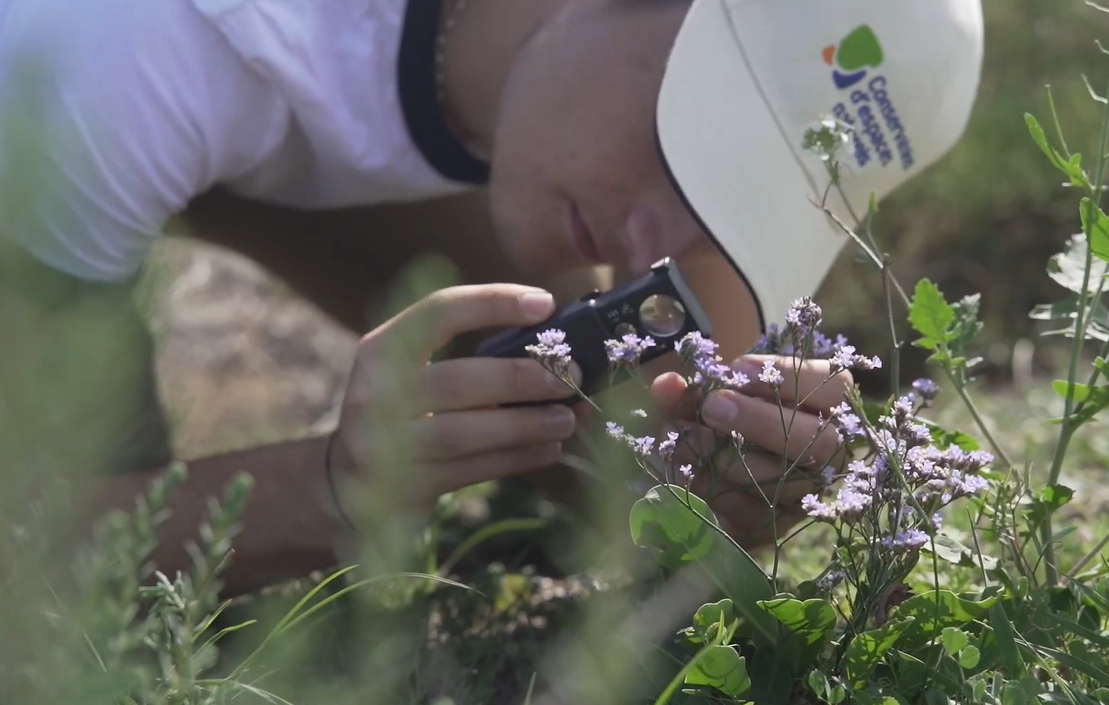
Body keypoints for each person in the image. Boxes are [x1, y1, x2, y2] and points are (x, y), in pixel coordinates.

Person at [0, 0, 984, 596]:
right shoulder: (100, 66)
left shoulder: (543, 78)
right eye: (689, 146)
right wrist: (333, 487)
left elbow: (627, 461)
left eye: (737, 204)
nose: (656, 241)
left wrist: (732, 486)